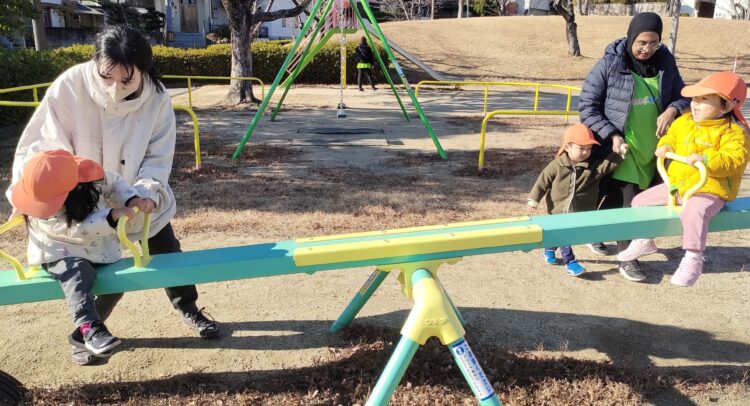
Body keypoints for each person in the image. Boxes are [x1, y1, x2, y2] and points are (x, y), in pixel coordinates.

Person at [7, 25, 221, 365]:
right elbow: (44, 144)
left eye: (126, 80)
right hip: (81, 200)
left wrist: (144, 195)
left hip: (134, 195)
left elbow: (157, 157)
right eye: (106, 77)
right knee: (103, 272)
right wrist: (54, 188)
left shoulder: (157, 99)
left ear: (144, 71)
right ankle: (88, 334)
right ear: (96, 61)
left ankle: (190, 309)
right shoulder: (71, 85)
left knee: (167, 253)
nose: (114, 88)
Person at [578, 12, 690, 282]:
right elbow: (587, 107)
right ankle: (627, 258)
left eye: (653, 43)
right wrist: (613, 136)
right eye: (641, 42)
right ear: (631, 38)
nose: (647, 49)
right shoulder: (610, 63)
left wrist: (673, 110)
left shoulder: (665, 62)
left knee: (629, 202)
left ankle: (596, 232)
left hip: (656, 150)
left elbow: (683, 96)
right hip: (623, 149)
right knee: (629, 205)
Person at [617, 71, 749, 287]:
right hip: (679, 185)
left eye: (703, 99)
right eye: (694, 99)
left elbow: (734, 160)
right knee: (640, 202)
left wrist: (706, 158)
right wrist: (665, 145)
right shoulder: (685, 121)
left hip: (710, 188)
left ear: (725, 106)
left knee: (694, 211)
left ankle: (693, 258)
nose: (695, 105)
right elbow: (671, 136)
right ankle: (645, 239)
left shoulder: (734, 133)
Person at [10, 150, 147, 357]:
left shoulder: (89, 179)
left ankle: (82, 335)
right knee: (77, 273)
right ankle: (89, 327)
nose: (46, 207)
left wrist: (131, 199)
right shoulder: (45, 212)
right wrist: (110, 216)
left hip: (95, 249)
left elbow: (114, 183)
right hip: (57, 250)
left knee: (114, 286)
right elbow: (76, 230)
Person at [527, 123, 627, 276]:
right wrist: (533, 200)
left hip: (579, 211)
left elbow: (606, 166)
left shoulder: (591, 167)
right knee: (565, 235)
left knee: (563, 234)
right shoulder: (557, 165)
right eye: (581, 148)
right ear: (567, 147)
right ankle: (570, 262)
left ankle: (549, 249)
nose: (586, 152)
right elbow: (543, 181)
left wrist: (619, 154)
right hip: (558, 210)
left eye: (589, 148)